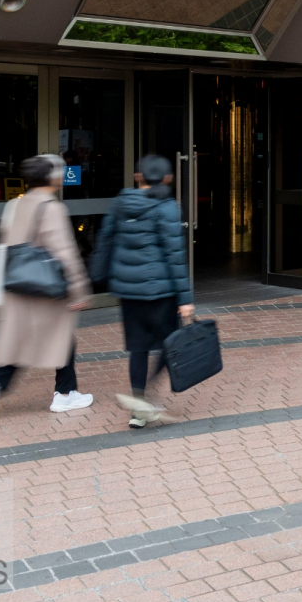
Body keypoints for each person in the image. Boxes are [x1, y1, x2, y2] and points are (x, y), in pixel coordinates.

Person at [0, 155, 93, 420]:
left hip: (19, 283)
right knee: (56, 336)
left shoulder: (16, 204)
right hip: (46, 287)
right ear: (53, 178)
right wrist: (79, 288)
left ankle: (63, 391)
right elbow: (65, 252)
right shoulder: (51, 208)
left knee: (38, 340)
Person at [92, 154, 192, 429]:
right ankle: (146, 398)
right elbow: (175, 256)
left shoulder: (120, 202)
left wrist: (99, 275)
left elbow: (105, 240)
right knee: (171, 344)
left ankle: (138, 407)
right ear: (168, 178)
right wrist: (185, 299)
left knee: (138, 348)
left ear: (138, 177)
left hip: (128, 291)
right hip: (161, 291)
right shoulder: (167, 207)